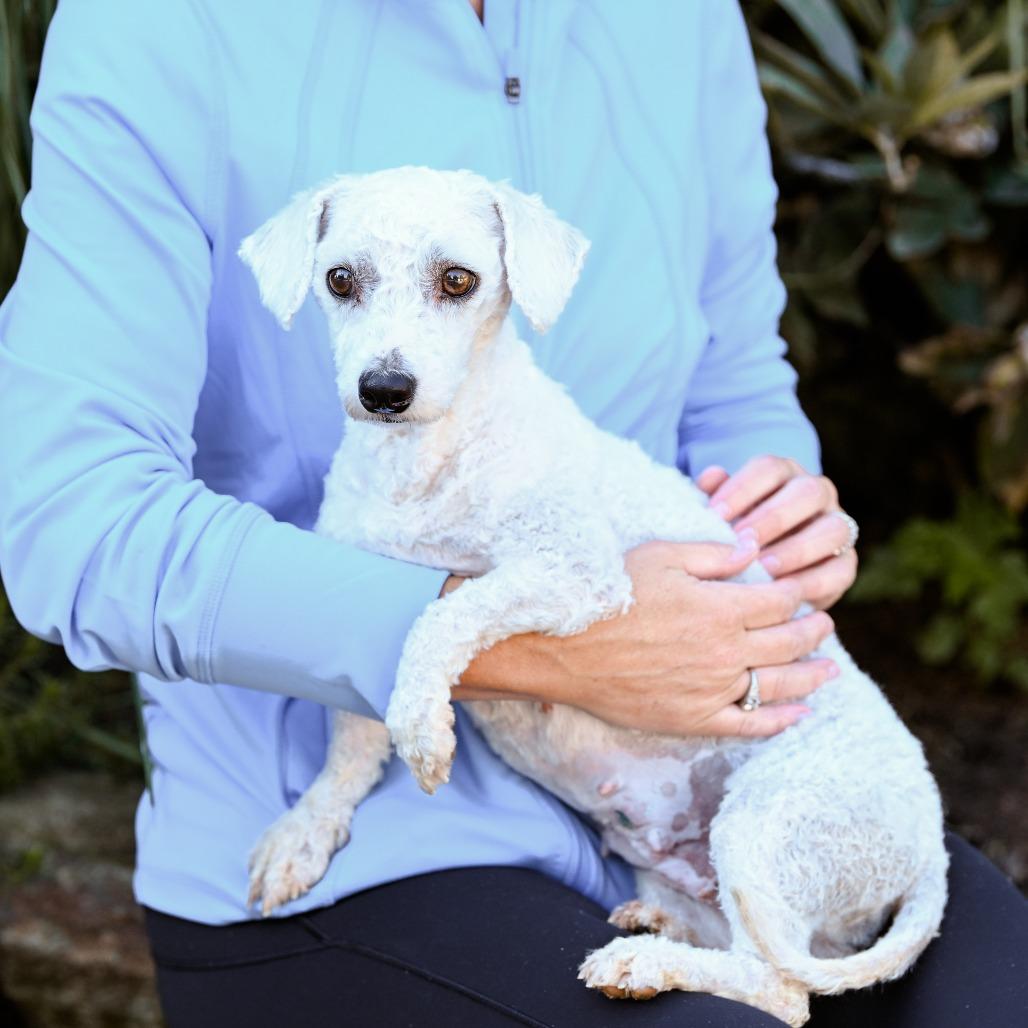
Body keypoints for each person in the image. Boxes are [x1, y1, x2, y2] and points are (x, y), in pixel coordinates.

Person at [0, 1, 1024, 1025]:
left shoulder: (682, 18)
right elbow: (73, 522)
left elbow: (732, 370)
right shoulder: (156, 25)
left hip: (704, 793)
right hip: (364, 852)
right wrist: (538, 645)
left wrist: (773, 510)